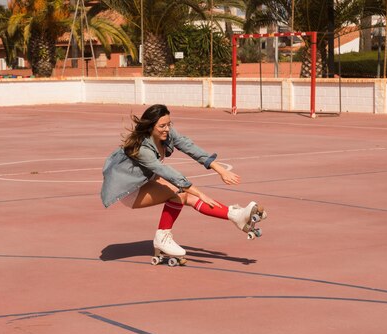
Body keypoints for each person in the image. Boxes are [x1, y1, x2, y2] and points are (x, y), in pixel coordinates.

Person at [100, 104, 266, 260]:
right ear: (150, 127)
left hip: (146, 179)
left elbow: (189, 147)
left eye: (169, 124)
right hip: (131, 190)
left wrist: (220, 169)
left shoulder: (167, 133)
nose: (167, 129)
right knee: (181, 194)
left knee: (189, 197)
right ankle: (162, 238)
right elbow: (168, 173)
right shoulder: (143, 149)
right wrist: (201, 193)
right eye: (162, 126)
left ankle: (235, 215)